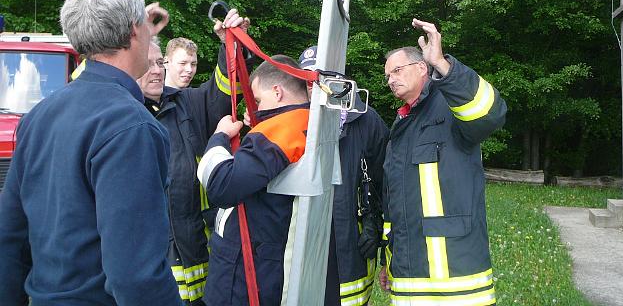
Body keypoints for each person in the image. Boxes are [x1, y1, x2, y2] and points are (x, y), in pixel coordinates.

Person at [0, 0, 182, 306]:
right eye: (144, 24)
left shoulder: (38, 117)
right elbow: (136, 277)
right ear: (134, 30)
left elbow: (9, 241)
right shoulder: (131, 127)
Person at [379, 18, 507, 306]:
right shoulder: (402, 125)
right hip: (409, 278)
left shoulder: (450, 104)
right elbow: (395, 204)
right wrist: (389, 261)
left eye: (397, 71)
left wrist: (442, 63)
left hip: (457, 279)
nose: (391, 80)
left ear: (422, 67)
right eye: (387, 76)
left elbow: (492, 113)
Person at [137, 9, 250, 305]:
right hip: (151, 256)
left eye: (158, 63)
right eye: (148, 64)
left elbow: (224, 91)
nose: (156, 71)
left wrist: (231, 44)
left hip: (196, 247)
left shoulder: (186, 102)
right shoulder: (122, 112)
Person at [197, 55, 310, 306]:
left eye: (258, 100)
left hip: (245, 275)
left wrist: (219, 137)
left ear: (277, 92)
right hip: (267, 263)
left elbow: (221, 186)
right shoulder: (308, 122)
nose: (255, 108)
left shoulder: (279, 131)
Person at [298, 45, 389, 306]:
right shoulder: (294, 119)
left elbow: (385, 182)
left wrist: (375, 225)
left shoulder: (366, 119)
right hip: (306, 235)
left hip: (350, 238)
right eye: (308, 81)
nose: (314, 87)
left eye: (321, 79)